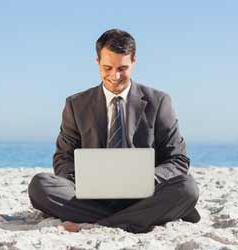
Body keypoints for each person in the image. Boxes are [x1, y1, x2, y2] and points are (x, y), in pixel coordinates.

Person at [28, 28, 200, 234]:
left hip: (146, 194)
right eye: (107, 67)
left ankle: (101, 223)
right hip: (93, 197)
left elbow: (177, 160)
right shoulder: (76, 104)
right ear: (97, 62)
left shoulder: (160, 101)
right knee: (40, 185)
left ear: (134, 61)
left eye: (122, 68)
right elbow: (63, 157)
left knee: (187, 188)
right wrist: (82, 180)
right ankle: (134, 219)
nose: (114, 76)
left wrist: (144, 179)